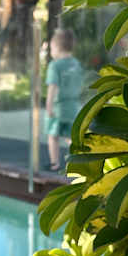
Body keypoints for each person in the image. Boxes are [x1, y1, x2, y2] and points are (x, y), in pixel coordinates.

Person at [45, 27, 84, 172]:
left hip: (58, 108)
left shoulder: (54, 66)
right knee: (70, 137)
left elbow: (53, 87)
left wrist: (49, 106)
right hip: (73, 106)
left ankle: (54, 164)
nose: (51, 52)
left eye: (51, 49)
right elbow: (80, 84)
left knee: (53, 136)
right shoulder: (76, 64)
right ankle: (78, 164)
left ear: (56, 47)